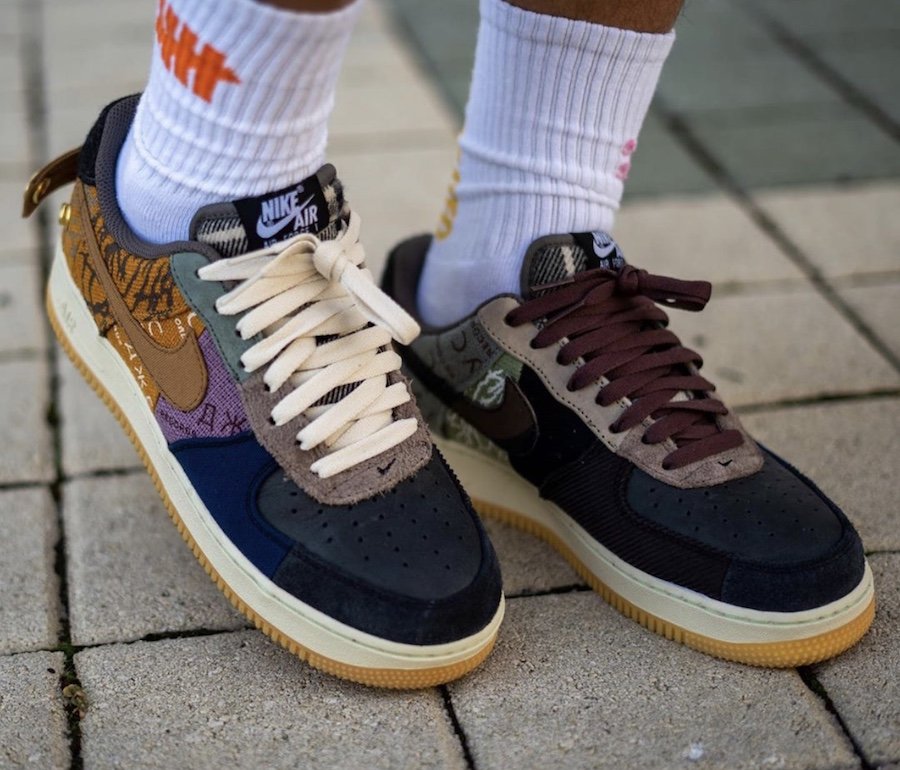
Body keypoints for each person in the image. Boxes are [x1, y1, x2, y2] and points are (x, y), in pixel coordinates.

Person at [23, 0, 873, 686]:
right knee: (231, 170)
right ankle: (174, 202)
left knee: (550, 213)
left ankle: (515, 252)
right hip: (163, 279)